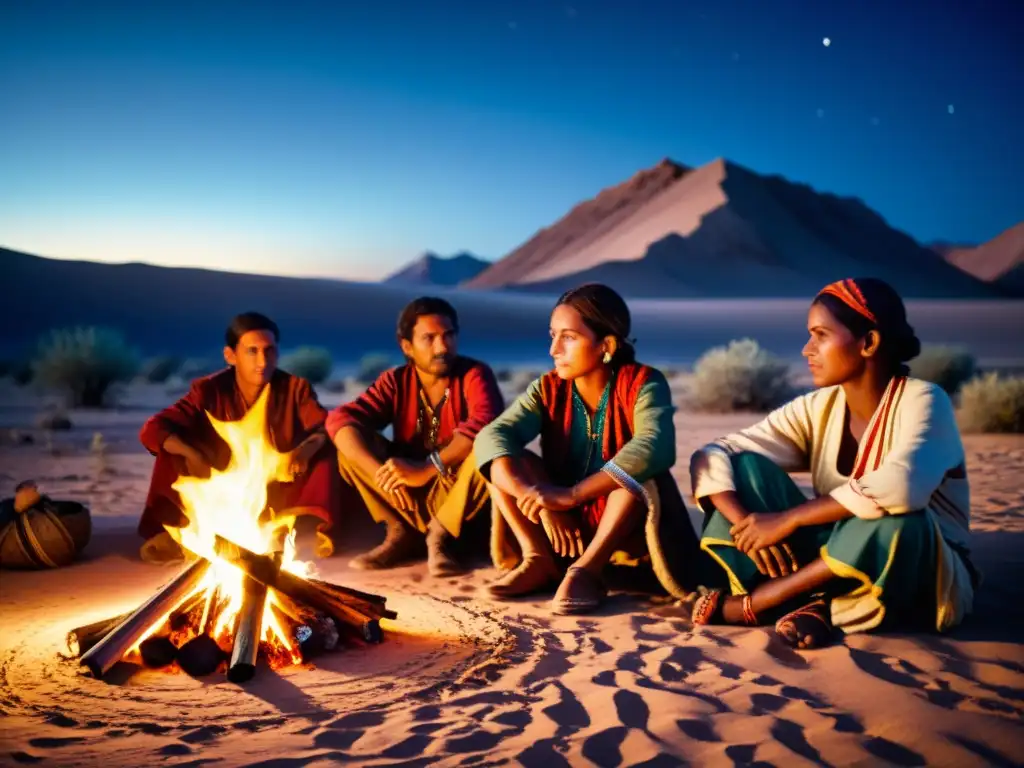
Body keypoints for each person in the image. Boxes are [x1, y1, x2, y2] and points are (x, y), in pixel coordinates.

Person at [689, 278, 978, 649]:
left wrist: (787, 519)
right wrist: (749, 525)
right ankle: (811, 601)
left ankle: (766, 603)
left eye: (821, 335)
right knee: (744, 468)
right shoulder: (818, 407)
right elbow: (714, 453)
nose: (808, 349)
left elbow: (903, 487)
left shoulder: (925, 400)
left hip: (922, 573)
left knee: (901, 519)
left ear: (869, 342)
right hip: (832, 558)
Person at [473, 283, 699, 615]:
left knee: (636, 480)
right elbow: (493, 436)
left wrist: (573, 495)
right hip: (561, 523)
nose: (553, 350)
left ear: (606, 345)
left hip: (622, 523)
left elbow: (655, 447)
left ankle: (587, 570)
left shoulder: (643, 383)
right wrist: (539, 498)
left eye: (568, 337)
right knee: (504, 460)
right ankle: (538, 559)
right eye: (552, 335)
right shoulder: (547, 389)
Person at [138, 312, 339, 563]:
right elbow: (154, 427)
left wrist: (305, 451)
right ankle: (177, 530)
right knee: (171, 448)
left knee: (328, 454)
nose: (263, 360)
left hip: (279, 489)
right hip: (219, 484)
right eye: (252, 351)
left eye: (270, 350)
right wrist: (191, 453)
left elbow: (326, 428)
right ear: (230, 355)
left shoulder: (295, 389)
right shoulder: (208, 390)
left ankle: (307, 530)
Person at [327, 297, 504, 577]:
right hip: (405, 495)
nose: (442, 347)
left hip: (454, 493)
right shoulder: (395, 381)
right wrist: (381, 478)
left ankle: (441, 536)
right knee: (350, 442)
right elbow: (341, 419)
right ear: (406, 346)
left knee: (490, 450)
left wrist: (426, 468)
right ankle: (400, 532)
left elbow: (485, 423)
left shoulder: (474, 374)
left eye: (448, 336)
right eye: (429, 338)